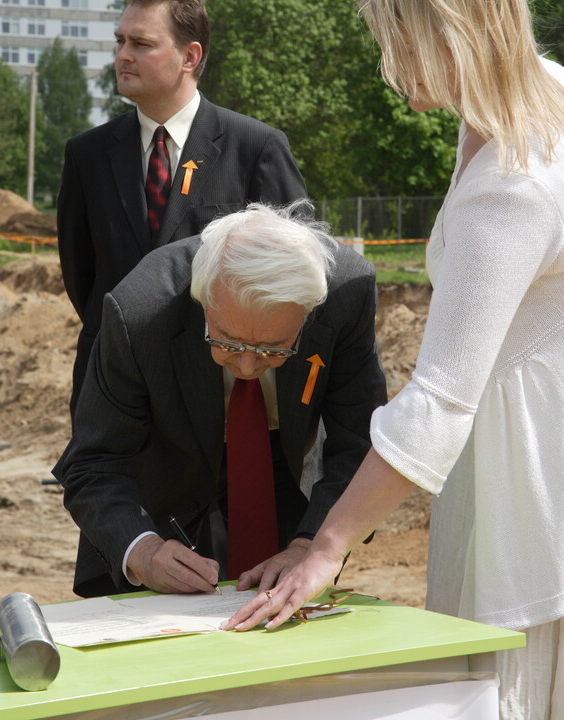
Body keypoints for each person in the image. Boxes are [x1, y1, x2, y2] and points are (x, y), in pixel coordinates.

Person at [225, 0, 564, 720]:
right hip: (536, 436)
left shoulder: (513, 179)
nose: (389, 66)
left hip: (526, 483)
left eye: (397, 43)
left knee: (510, 691)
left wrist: (325, 547)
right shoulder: (535, 97)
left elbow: (441, 400)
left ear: (449, 34)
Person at [53, 203, 387, 599]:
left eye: (273, 349)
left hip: (284, 473)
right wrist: (144, 551)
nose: (247, 367)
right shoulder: (141, 310)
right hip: (166, 486)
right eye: (227, 342)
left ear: (308, 313)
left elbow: (358, 442)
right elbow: (94, 462)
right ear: (204, 301)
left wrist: (310, 546)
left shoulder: (346, 293)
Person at [57, 0, 306, 421]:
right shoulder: (86, 155)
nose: (123, 55)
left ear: (190, 56)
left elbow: (297, 275)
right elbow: (82, 276)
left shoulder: (255, 148)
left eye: (141, 43)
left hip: (220, 395)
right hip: (112, 391)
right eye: (120, 41)